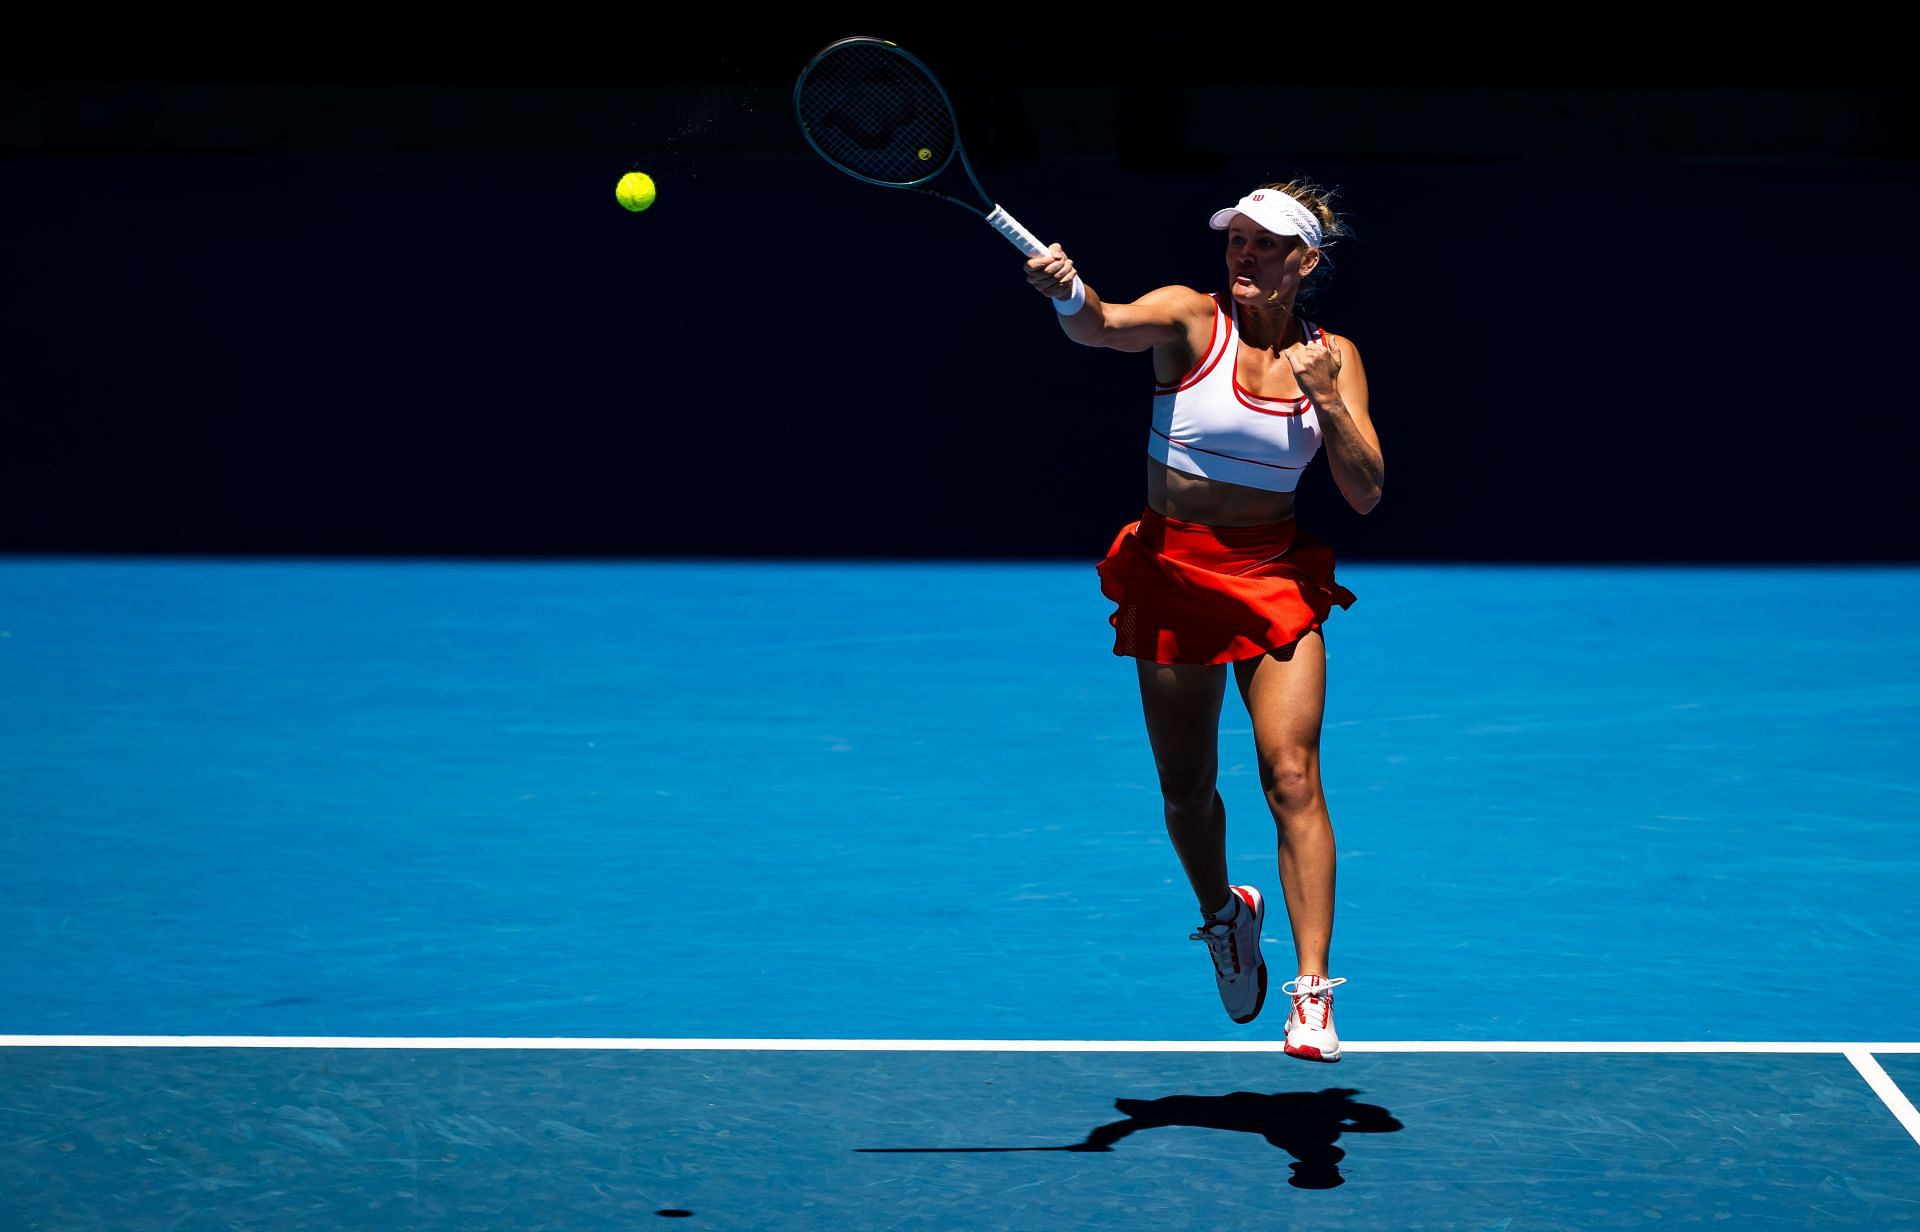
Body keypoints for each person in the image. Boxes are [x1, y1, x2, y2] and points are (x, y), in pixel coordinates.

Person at [1025, 181, 1384, 1062]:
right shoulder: (1191, 318)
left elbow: (1366, 492)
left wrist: (1328, 399)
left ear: (1306, 262)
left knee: (1291, 775)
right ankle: (1226, 914)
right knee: (1187, 789)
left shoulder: (1334, 354)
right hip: (1175, 576)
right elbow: (1100, 324)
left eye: (1265, 245)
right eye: (1237, 242)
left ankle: (1311, 993)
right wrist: (1069, 291)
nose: (1244, 256)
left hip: (1270, 580)